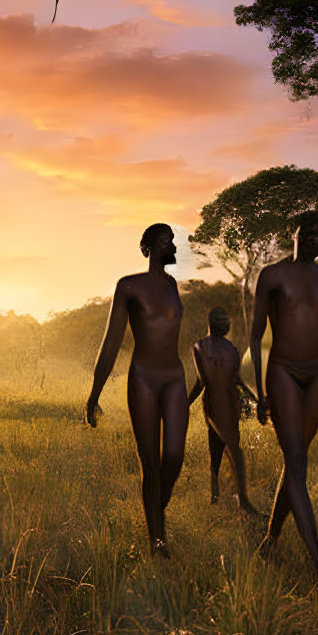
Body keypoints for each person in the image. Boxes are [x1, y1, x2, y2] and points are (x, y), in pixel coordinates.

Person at [249, 210, 318, 582]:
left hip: (317, 375)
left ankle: (270, 540)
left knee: (297, 461)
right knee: (296, 460)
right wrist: (259, 392)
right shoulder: (272, 276)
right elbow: (255, 335)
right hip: (282, 371)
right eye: (310, 232)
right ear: (291, 233)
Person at [87, 222, 189, 557]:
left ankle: (154, 512)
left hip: (174, 378)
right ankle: (157, 540)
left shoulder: (173, 285)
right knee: (151, 463)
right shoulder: (128, 286)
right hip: (144, 379)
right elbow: (112, 341)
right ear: (146, 248)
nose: (170, 246)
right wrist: (94, 395)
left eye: (172, 240)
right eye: (163, 241)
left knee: (174, 457)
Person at [186, 306, 261, 514]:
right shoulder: (231, 348)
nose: (228, 325)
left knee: (217, 447)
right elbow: (237, 380)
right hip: (229, 401)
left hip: (214, 402)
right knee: (232, 447)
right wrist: (255, 398)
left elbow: (201, 382)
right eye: (225, 321)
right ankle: (241, 500)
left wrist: (186, 403)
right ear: (220, 324)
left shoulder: (199, 346)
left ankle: (216, 495)